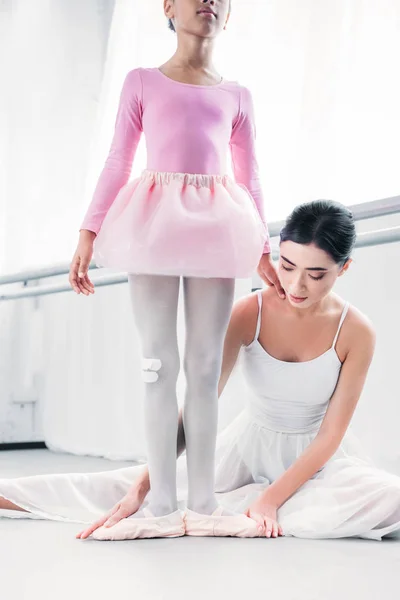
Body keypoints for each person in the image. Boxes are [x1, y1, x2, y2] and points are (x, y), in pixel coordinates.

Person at [1, 199, 399, 541]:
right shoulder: (249, 312)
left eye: (316, 275)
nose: (295, 285)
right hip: (245, 450)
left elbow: (331, 435)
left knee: (390, 498)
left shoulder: (357, 331)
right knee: (136, 486)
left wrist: (271, 498)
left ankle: (258, 506)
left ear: (343, 269)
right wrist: (144, 485)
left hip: (319, 460)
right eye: (288, 265)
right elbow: (199, 401)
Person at [69, 0, 282, 538]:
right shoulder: (141, 81)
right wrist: (89, 232)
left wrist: (263, 247)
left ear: (228, 14)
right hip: (154, 226)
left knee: (206, 367)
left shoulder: (237, 95)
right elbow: (119, 158)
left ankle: (203, 498)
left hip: (218, 227)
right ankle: (163, 498)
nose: (207, 0)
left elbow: (249, 174)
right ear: (168, 7)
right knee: (157, 365)